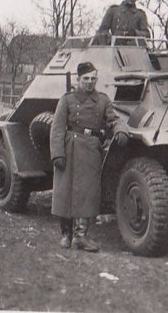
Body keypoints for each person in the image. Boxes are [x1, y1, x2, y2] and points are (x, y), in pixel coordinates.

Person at [49, 61, 121, 252]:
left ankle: (80, 237)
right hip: (70, 147)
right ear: (78, 79)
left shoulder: (103, 100)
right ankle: (66, 235)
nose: (90, 82)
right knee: (66, 191)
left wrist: (120, 130)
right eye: (86, 78)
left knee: (87, 193)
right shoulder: (67, 100)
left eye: (93, 78)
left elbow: (114, 119)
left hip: (91, 149)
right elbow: (57, 128)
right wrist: (57, 153)